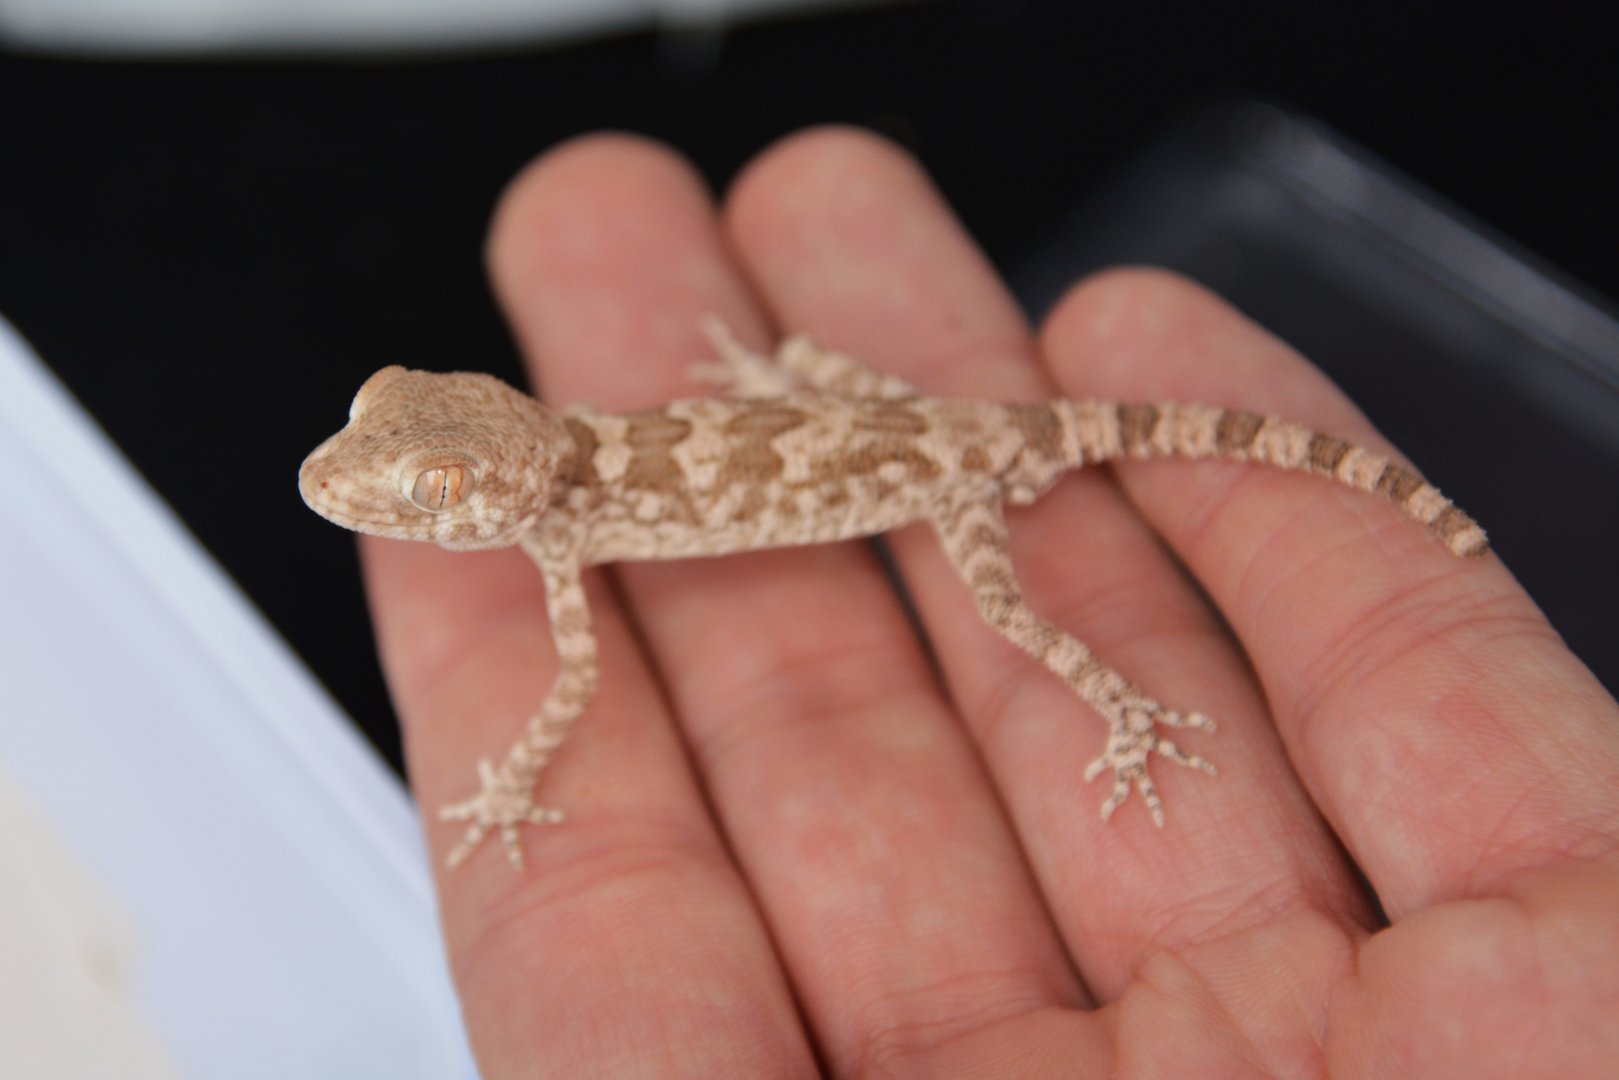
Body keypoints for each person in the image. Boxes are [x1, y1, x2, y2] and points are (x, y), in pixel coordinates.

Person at [360, 128, 1619, 1077]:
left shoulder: (566, 510)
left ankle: (1125, 711)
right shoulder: (570, 472)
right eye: (395, 448)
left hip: (951, 461)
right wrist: (783, 382)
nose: (366, 490)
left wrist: (513, 782)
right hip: (890, 419)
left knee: (1013, 623)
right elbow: (730, 440)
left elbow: (577, 681)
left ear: (498, 475)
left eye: (425, 483)